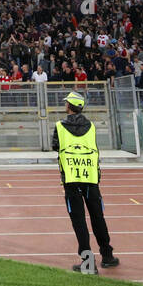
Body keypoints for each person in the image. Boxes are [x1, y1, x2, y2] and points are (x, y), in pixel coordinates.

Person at [51, 91, 118, 274]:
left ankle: (88, 263)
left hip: (71, 179)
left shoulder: (59, 126)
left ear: (68, 106)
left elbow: (55, 146)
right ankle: (107, 256)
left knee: (79, 221)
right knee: (98, 218)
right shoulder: (91, 126)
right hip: (91, 178)